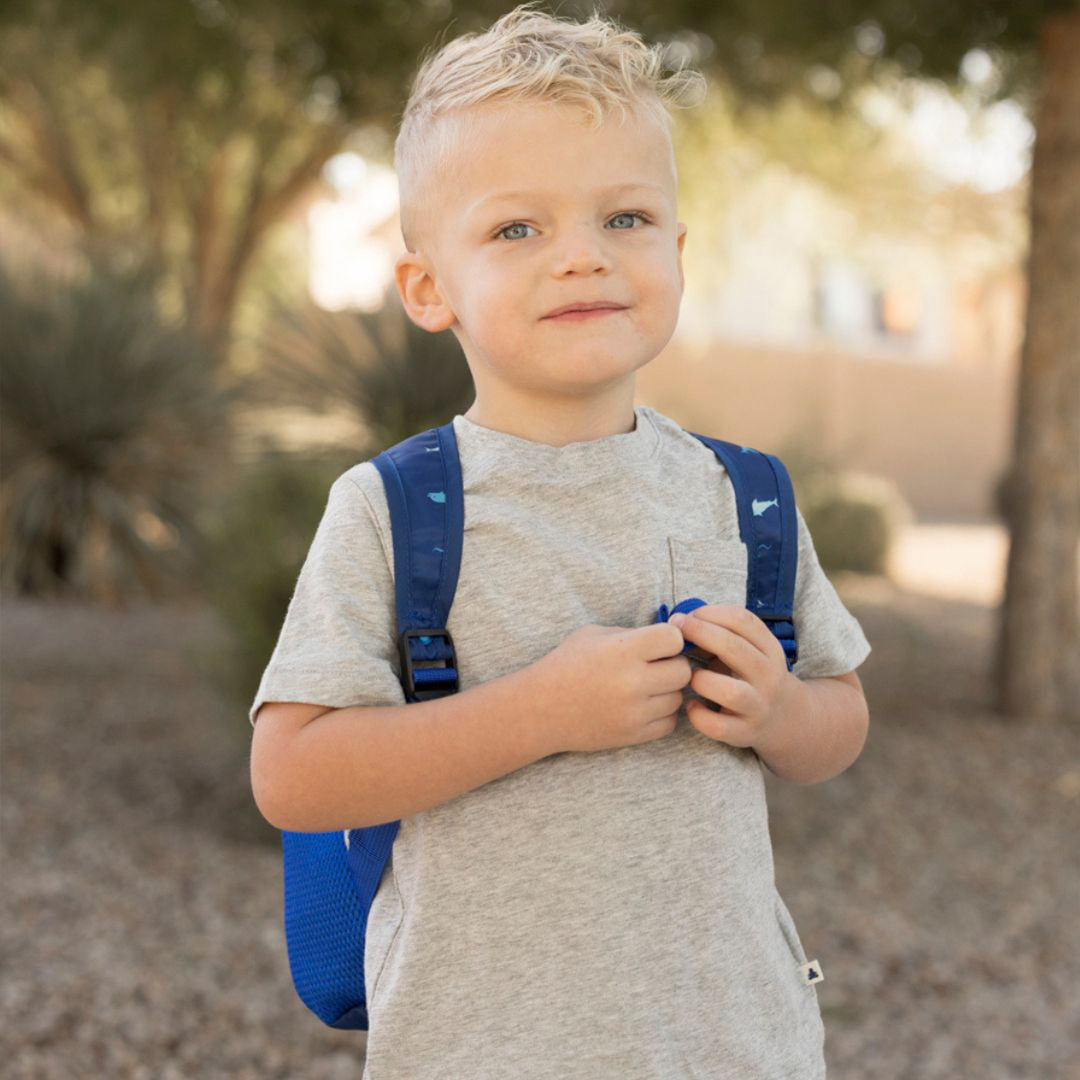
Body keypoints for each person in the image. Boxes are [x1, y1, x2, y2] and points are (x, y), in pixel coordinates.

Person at [249, 4, 872, 1077]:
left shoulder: (746, 497)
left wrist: (779, 710)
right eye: (516, 230)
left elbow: (840, 719)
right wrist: (541, 713)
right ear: (428, 288)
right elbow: (293, 776)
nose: (583, 257)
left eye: (625, 218)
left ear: (677, 251)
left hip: (737, 1047)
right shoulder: (396, 509)